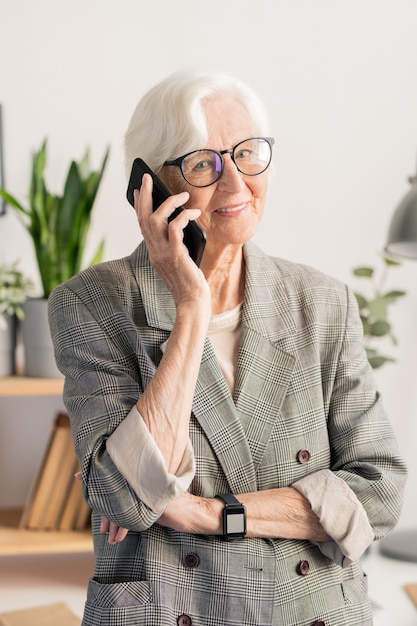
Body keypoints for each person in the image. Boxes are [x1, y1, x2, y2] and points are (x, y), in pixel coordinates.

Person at [49, 70, 407, 626]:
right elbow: (122, 499)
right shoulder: (92, 305)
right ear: (150, 187)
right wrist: (191, 309)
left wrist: (207, 514)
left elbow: (380, 491)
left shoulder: (322, 302)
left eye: (247, 153)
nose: (236, 185)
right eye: (203, 164)